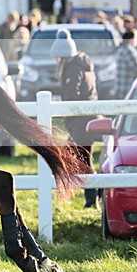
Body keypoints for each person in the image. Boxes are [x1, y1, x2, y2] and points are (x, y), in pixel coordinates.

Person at [50, 29, 99, 208]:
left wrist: (63, 109)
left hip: (81, 120)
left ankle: (92, 196)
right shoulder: (82, 63)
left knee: (80, 159)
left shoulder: (72, 68)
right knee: (84, 158)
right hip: (88, 117)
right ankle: (93, 197)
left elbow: (72, 94)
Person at [115, 29, 137, 99]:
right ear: (131, 39)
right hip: (127, 87)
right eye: (136, 38)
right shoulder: (129, 50)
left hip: (120, 86)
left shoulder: (121, 49)